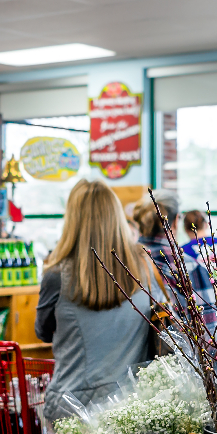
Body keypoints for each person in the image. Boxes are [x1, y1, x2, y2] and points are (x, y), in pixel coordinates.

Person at [35, 180, 156, 421]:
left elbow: (43, 332)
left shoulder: (57, 275)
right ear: (117, 217)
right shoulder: (144, 266)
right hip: (133, 404)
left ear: (72, 220)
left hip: (73, 407)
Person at [133, 189, 217, 329]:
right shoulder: (191, 268)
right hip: (169, 349)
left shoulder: (120, 261)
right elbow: (209, 330)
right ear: (176, 221)